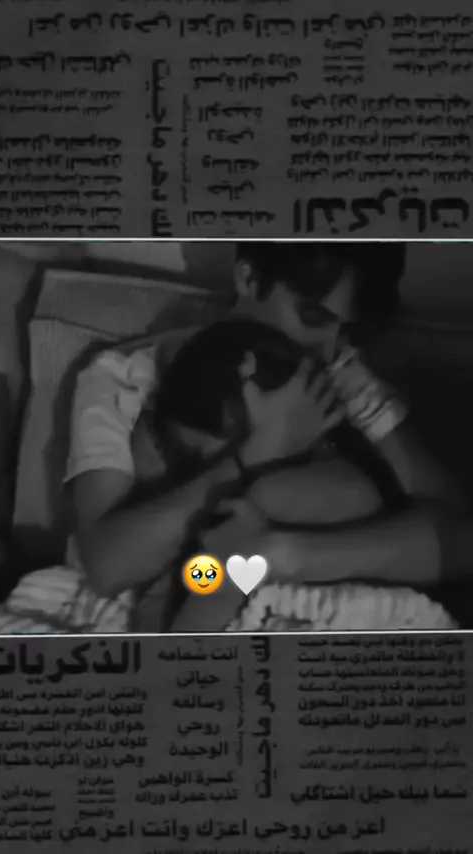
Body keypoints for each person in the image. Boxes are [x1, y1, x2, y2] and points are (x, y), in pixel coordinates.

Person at [66, 241, 468, 632]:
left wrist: (285, 555)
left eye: (348, 331)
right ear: (249, 277)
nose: (329, 349)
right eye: (313, 316)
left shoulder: (345, 378)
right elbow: (108, 567)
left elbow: (461, 538)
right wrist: (252, 456)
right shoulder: (128, 378)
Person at [138, 316, 456, 632]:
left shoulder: (270, 496)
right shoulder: (368, 473)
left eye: (199, 455)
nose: (204, 471)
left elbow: (182, 640)